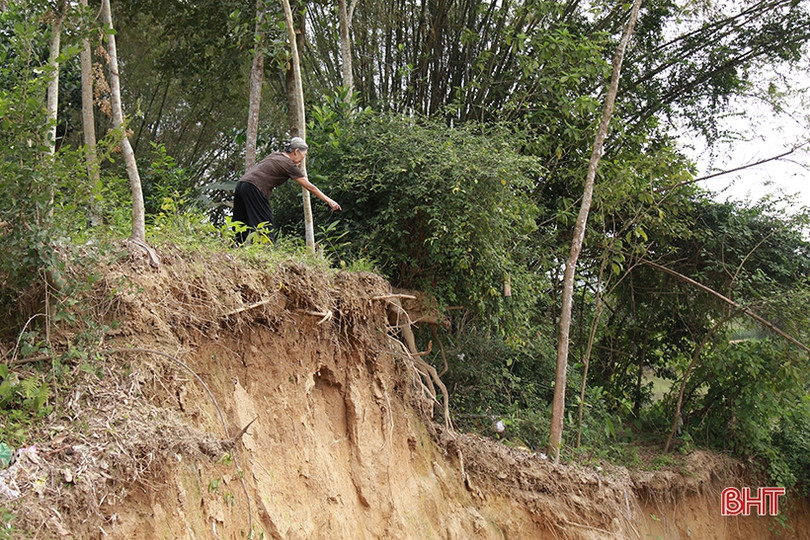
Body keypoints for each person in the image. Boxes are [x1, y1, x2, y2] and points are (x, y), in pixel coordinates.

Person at [232, 137, 342, 244]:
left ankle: (234, 246)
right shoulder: (288, 165)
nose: (303, 159)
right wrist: (329, 200)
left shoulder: (276, 155)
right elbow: (310, 187)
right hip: (255, 188)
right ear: (296, 151)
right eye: (303, 156)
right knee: (265, 225)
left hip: (242, 185)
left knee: (241, 222)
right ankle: (264, 253)